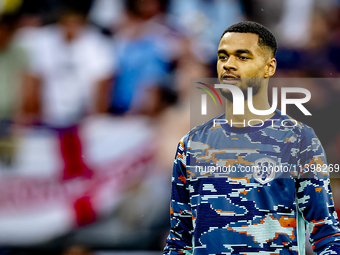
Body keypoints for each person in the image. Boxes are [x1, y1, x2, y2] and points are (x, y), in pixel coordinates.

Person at [163, 21, 340, 254]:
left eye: (243, 57)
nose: (229, 65)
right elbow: (179, 239)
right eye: (223, 56)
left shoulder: (299, 140)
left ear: (269, 67)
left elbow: (326, 233)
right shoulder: (191, 144)